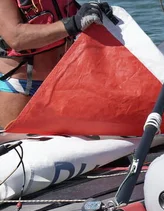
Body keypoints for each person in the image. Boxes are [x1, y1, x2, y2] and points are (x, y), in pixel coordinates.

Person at [0, 0, 109, 128]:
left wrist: (95, 13)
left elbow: (71, 15)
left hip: (66, 83)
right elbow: (16, 38)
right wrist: (73, 24)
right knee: (24, 145)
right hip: (23, 88)